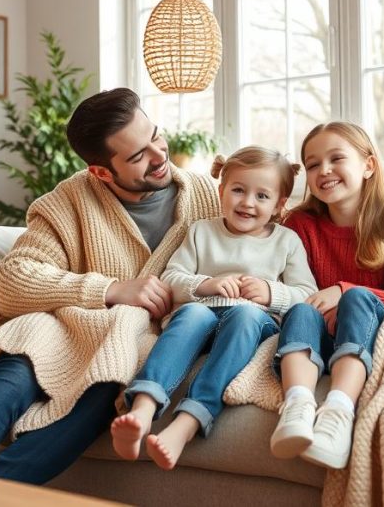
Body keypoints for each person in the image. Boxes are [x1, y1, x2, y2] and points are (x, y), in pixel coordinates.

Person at [0, 87, 384, 484]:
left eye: (156, 137)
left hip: (136, 342)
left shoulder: (203, 193)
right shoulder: (68, 202)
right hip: (69, 326)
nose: (159, 155)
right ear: (102, 172)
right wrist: (110, 289)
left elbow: (275, 211)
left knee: (108, 391)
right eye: (139, 155)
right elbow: (14, 281)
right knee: (15, 371)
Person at [112, 146, 317, 470]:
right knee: (192, 313)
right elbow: (171, 277)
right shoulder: (201, 231)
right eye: (238, 190)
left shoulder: (286, 241)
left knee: (245, 313)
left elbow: (307, 294)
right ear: (221, 191)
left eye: (262, 196)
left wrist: (269, 290)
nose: (247, 202)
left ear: (279, 205)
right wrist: (205, 284)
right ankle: (143, 407)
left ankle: (187, 423)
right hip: (201, 311)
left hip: (253, 320)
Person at [269, 121, 384, 470]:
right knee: (300, 309)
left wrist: (344, 291)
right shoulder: (299, 225)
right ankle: (297, 405)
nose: (324, 170)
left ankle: (339, 410)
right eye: (312, 164)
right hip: (314, 338)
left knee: (357, 298)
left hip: (368, 340)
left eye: (336, 158)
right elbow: (275, 274)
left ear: (368, 165)